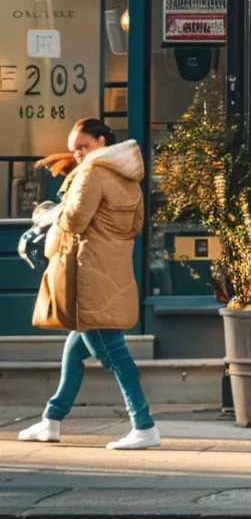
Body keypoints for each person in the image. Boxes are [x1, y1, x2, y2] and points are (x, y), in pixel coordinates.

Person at [16, 119, 160, 451]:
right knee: (74, 352)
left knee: (115, 354)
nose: (79, 154)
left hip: (88, 275)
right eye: (74, 150)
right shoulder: (129, 176)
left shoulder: (92, 173)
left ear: (102, 140)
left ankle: (144, 425)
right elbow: (135, 224)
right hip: (113, 270)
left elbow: (75, 220)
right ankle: (51, 420)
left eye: (83, 146)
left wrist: (50, 214)